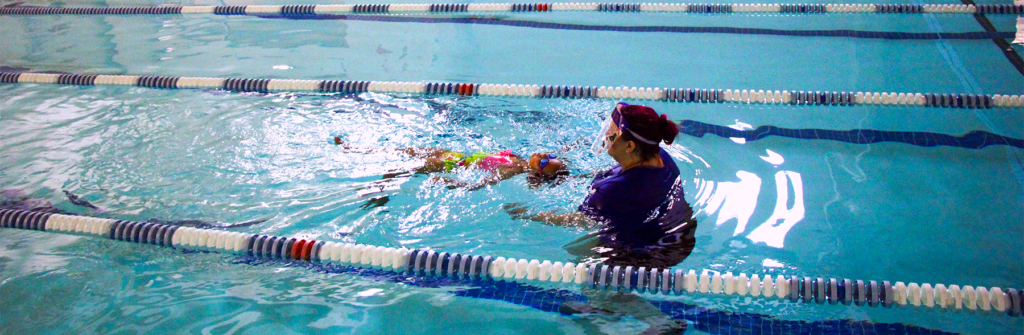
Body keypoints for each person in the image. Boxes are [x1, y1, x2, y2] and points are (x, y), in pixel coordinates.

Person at [506, 103, 697, 334]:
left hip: (653, 248)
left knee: (582, 255)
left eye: (613, 133)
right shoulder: (659, 156)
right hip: (678, 234)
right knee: (590, 257)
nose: (607, 134)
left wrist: (528, 215)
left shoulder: (615, 191)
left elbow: (577, 220)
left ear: (629, 146)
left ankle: (657, 321)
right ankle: (603, 304)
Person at [334, 137, 569, 191]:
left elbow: (480, 184)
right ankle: (359, 148)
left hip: (454, 165)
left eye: (545, 160)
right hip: (457, 156)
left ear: (538, 172)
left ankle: (381, 187)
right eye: (547, 154)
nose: (541, 154)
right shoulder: (521, 161)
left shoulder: (512, 170)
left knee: (410, 167)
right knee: (408, 150)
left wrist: (451, 183)